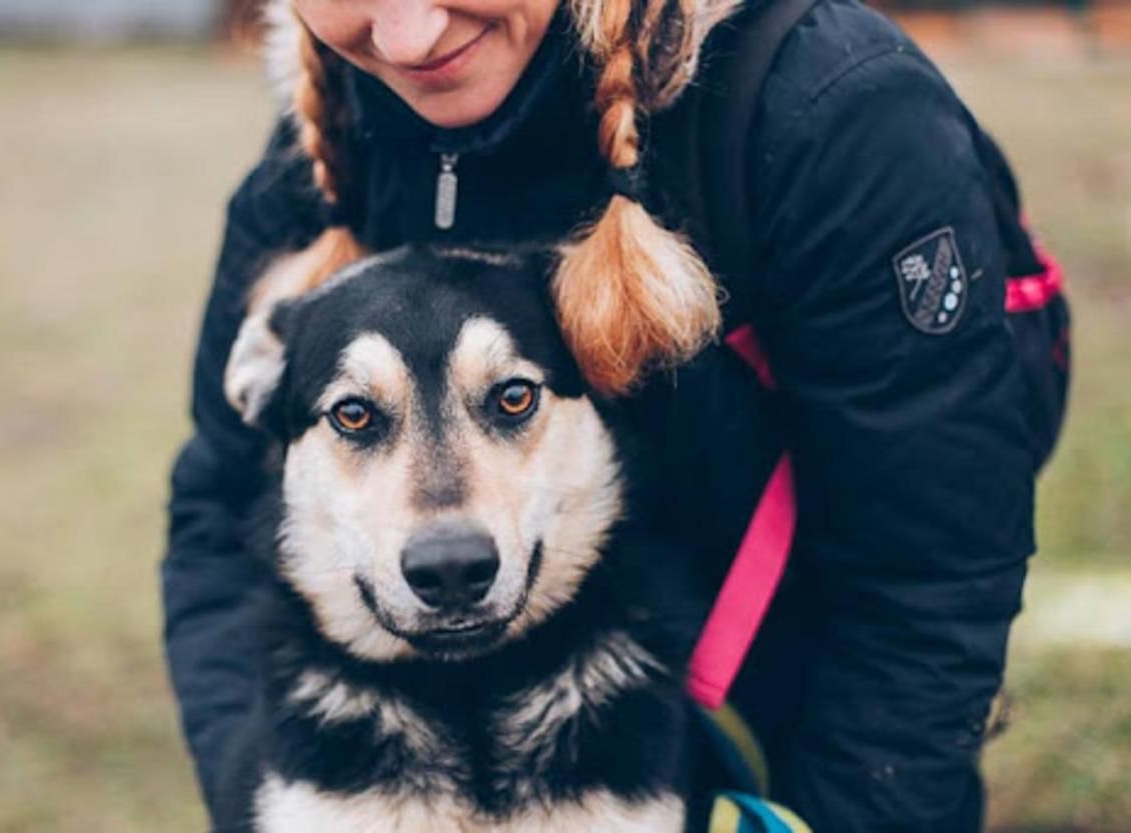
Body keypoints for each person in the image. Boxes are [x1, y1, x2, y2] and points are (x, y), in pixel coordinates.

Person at [161, 0, 1039, 830]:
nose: (409, 35)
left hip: (812, 721)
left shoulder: (826, 106)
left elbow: (927, 572)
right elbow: (216, 516)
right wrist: (282, 795)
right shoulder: (317, 154)